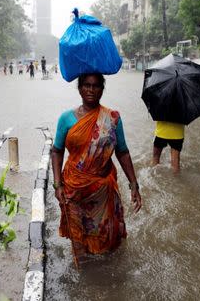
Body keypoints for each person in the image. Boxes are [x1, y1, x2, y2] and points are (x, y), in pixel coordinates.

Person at [51, 73, 142, 265]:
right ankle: (84, 277)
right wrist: (57, 184)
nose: (91, 90)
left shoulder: (112, 118)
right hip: (73, 189)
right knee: (79, 242)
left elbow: (123, 152)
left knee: (107, 243)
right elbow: (57, 151)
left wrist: (134, 184)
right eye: (86, 85)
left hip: (102, 191)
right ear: (79, 88)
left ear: (102, 89)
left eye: (96, 86)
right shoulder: (66, 119)